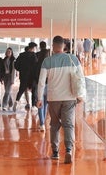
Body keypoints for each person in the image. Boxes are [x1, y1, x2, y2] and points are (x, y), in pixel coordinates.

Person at [37, 35, 85, 164]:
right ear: (64, 46)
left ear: (53, 46)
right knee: (69, 124)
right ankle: (68, 149)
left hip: (53, 98)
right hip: (69, 98)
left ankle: (55, 152)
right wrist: (81, 96)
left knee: (54, 124)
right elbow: (81, 79)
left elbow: (41, 82)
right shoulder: (73, 59)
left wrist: (39, 98)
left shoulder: (47, 61)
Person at [13, 43, 38, 111]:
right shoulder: (34, 55)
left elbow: (16, 65)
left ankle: (16, 102)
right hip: (32, 77)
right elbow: (36, 66)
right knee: (34, 90)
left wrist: (21, 70)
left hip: (23, 76)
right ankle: (33, 106)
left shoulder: (22, 55)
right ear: (33, 48)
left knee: (21, 90)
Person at [35, 41, 50, 131]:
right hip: (48, 85)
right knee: (45, 104)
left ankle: (42, 123)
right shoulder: (49, 63)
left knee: (40, 103)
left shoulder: (37, 62)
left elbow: (35, 75)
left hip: (39, 85)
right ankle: (43, 121)